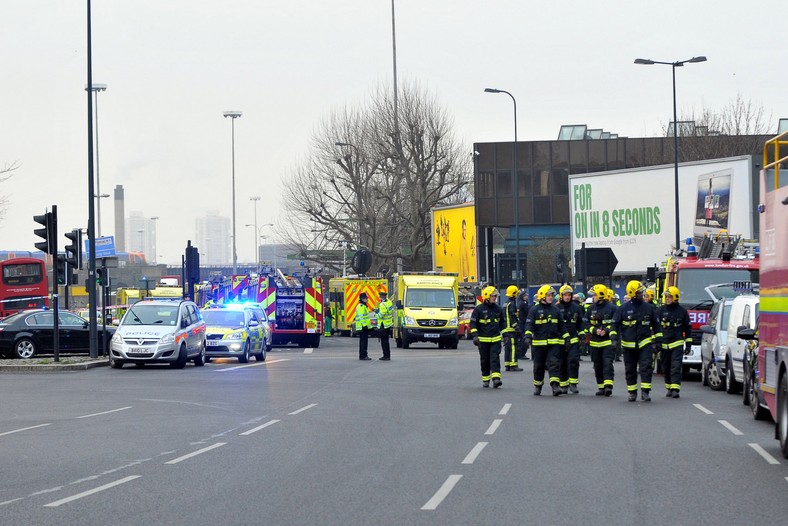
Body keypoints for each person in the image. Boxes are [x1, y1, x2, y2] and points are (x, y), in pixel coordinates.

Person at [614, 280, 660, 402]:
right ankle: (632, 392)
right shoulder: (623, 309)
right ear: (632, 293)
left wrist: (657, 341)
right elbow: (615, 325)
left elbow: (657, 326)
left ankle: (645, 392)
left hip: (645, 343)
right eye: (640, 292)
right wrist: (614, 339)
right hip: (628, 345)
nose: (642, 294)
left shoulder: (649, 308)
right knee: (630, 369)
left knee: (646, 367)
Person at [523, 285, 569, 396]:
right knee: (538, 366)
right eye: (549, 295)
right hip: (539, 344)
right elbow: (529, 325)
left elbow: (562, 326)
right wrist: (528, 337)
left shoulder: (555, 310)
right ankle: (538, 386)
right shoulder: (534, 310)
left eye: (552, 295)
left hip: (554, 344)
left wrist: (567, 338)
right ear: (542, 296)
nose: (551, 297)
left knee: (554, 364)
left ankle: (555, 386)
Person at [655, 286, 692, 398]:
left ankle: (675, 388)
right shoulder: (660, 310)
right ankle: (669, 387)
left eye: (669, 297)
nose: (667, 299)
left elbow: (688, 328)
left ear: (675, 297)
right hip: (664, 344)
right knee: (665, 367)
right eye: (666, 297)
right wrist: (656, 342)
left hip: (677, 343)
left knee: (675, 366)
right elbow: (655, 327)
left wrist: (689, 344)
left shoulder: (682, 312)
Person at [584, 284, 617, 396]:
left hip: (607, 342)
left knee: (607, 363)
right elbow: (585, 324)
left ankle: (608, 386)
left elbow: (615, 323)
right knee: (597, 365)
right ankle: (601, 387)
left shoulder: (612, 308)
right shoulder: (590, 309)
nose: (593, 297)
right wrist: (594, 330)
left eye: (595, 295)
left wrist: (607, 331)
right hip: (594, 342)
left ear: (601, 295)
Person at [470, 286, 506, 388]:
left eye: (495, 296)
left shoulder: (498, 309)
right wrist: (475, 336)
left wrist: (505, 335)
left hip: (495, 340)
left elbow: (502, 323)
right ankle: (486, 379)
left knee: (495, 358)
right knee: (485, 360)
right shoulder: (478, 310)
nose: (495, 298)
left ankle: (496, 379)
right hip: (483, 341)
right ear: (486, 296)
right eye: (493, 296)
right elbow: (473, 324)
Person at [557, 284, 586, 394]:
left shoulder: (576, 308)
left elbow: (580, 324)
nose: (567, 297)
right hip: (560, 341)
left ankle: (573, 384)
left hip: (573, 340)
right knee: (562, 363)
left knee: (573, 361)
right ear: (561, 296)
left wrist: (582, 336)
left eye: (569, 295)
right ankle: (563, 384)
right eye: (565, 295)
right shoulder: (556, 308)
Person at [502, 285, 523, 371]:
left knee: (507, 348)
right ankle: (513, 364)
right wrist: (517, 328)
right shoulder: (512, 304)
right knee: (513, 347)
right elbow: (512, 317)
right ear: (514, 294)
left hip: (505, 329)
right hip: (511, 330)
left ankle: (507, 364)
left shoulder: (505, 303)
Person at [376, 288, 394, 361]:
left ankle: (385, 356)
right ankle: (387, 355)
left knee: (384, 342)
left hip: (383, 325)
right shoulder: (389, 302)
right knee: (386, 341)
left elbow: (381, 314)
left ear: (381, 297)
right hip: (388, 324)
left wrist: (376, 315)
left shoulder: (382, 304)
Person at [356, 292, 372, 360]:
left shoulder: (363, 306)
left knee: (364, 342)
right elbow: (361, 317)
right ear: (362, 299)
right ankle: (363, 355)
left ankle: (363, 355)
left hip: (363, 327)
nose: (367, 300)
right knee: (363, 343)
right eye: (366, 298)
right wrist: (365, 325)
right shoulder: (361, 306)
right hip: (362, 327)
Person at [517, 289, 530, 360]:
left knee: (521, 338)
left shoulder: (519, 303)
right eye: (526, 295)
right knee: (524, 339)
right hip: (524, 323)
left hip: (521, 322)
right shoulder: (524, 304)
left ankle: (520, 354)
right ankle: (522, 354)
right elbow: (528, 312)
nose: (527, 296)